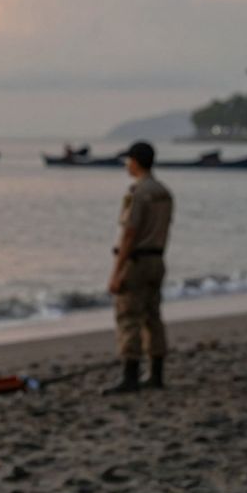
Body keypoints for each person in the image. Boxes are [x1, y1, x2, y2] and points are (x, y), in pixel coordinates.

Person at [103, 140, 174, 395]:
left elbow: (130, 234)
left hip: (137, 260)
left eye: (128, 160)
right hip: (158, 259)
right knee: (153, 316)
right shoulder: (164, 192)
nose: (126, 165)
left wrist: (116, 272)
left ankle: (130, 376)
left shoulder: (138, 192)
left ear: (136, 161)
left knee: (128, 316)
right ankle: (156, 373)